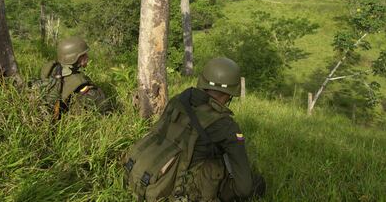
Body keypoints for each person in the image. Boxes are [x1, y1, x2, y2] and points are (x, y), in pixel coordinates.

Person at [124, 57, 265, 202]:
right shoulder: (226, 126)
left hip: (147, 177)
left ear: (203, 81)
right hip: (178, 191)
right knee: (256, 183)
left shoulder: (179, 100)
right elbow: (244, 188)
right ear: (230, 93)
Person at [39, 36, 111, 118]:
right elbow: (106, 113)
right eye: (83, 55)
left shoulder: (50, 68)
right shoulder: (80, 82)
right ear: (74, 58)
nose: (87, 57)